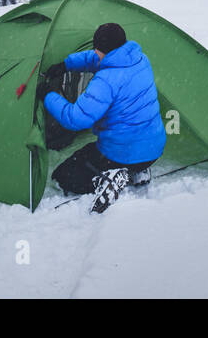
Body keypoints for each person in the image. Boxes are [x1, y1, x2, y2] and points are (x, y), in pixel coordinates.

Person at [39, 22, 166, 211]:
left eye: (97, 49)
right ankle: (138, 171)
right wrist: (67, 65)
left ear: (104, 50)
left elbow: (75, 119)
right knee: (92, 153)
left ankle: (114, 177)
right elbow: (97, 58)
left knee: (64, 175)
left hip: (122, 153)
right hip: (154, 147)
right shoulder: (139, 58)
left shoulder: (106, 80)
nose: (95, 53)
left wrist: (48, 95)